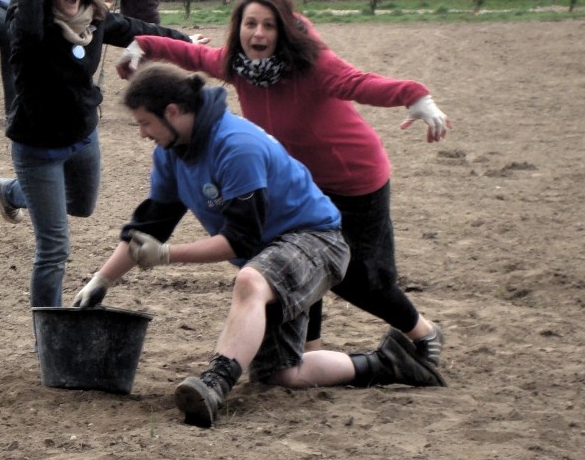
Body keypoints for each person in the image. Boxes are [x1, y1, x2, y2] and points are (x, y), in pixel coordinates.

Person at [73, 63, 446, 428]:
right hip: (272, 257)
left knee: (250, 281)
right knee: (282, 373)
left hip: (318, 241)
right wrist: (100, 283)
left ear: (173, 112)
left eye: (144, 122)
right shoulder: (171, 153)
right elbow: (148, 228)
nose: (141, 133)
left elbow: (240, 240)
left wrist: (167, 256)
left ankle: (215, 382)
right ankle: (389, 363)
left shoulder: (236, 146)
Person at [116, 0, 452, 369]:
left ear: (284, 31)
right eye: (250, 24)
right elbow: (194, 54)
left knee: (358, 277)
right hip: (297, 181)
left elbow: (359, 83)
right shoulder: (236, 64)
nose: (258, 34)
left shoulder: (312, 64)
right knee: (295, 257)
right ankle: (311, 350)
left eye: (269, 26)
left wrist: (414, 95)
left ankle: (424, 332)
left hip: (353, 178)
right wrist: (143, 44)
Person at [0, 0, 204, 310]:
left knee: (83, 206)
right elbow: (25, 31)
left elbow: (138, 29)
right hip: (38, 148)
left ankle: (12, 192)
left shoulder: (94, 18)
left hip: (83, 137)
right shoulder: (29, 23)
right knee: (54, 250)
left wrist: (184, 41)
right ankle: (50, 338)